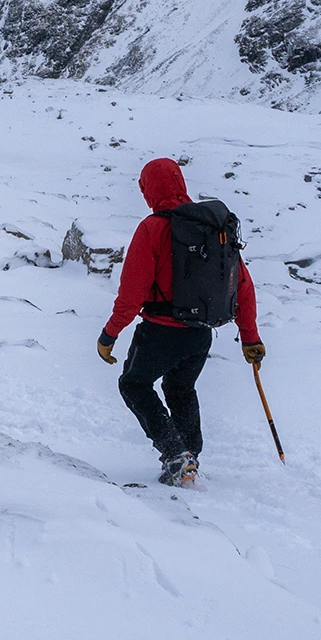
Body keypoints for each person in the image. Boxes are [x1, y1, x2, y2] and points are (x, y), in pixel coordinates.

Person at [97, 157, 262, 487]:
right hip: (200, 333)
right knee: (181, 388)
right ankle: (190, 458)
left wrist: (109, 334)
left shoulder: (153, 228)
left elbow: (132, 292)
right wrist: (250, 337)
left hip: (160, 331)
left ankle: (176, 456)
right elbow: (242, 284)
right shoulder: (213, 228)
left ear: (149, 189)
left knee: (133, 384)